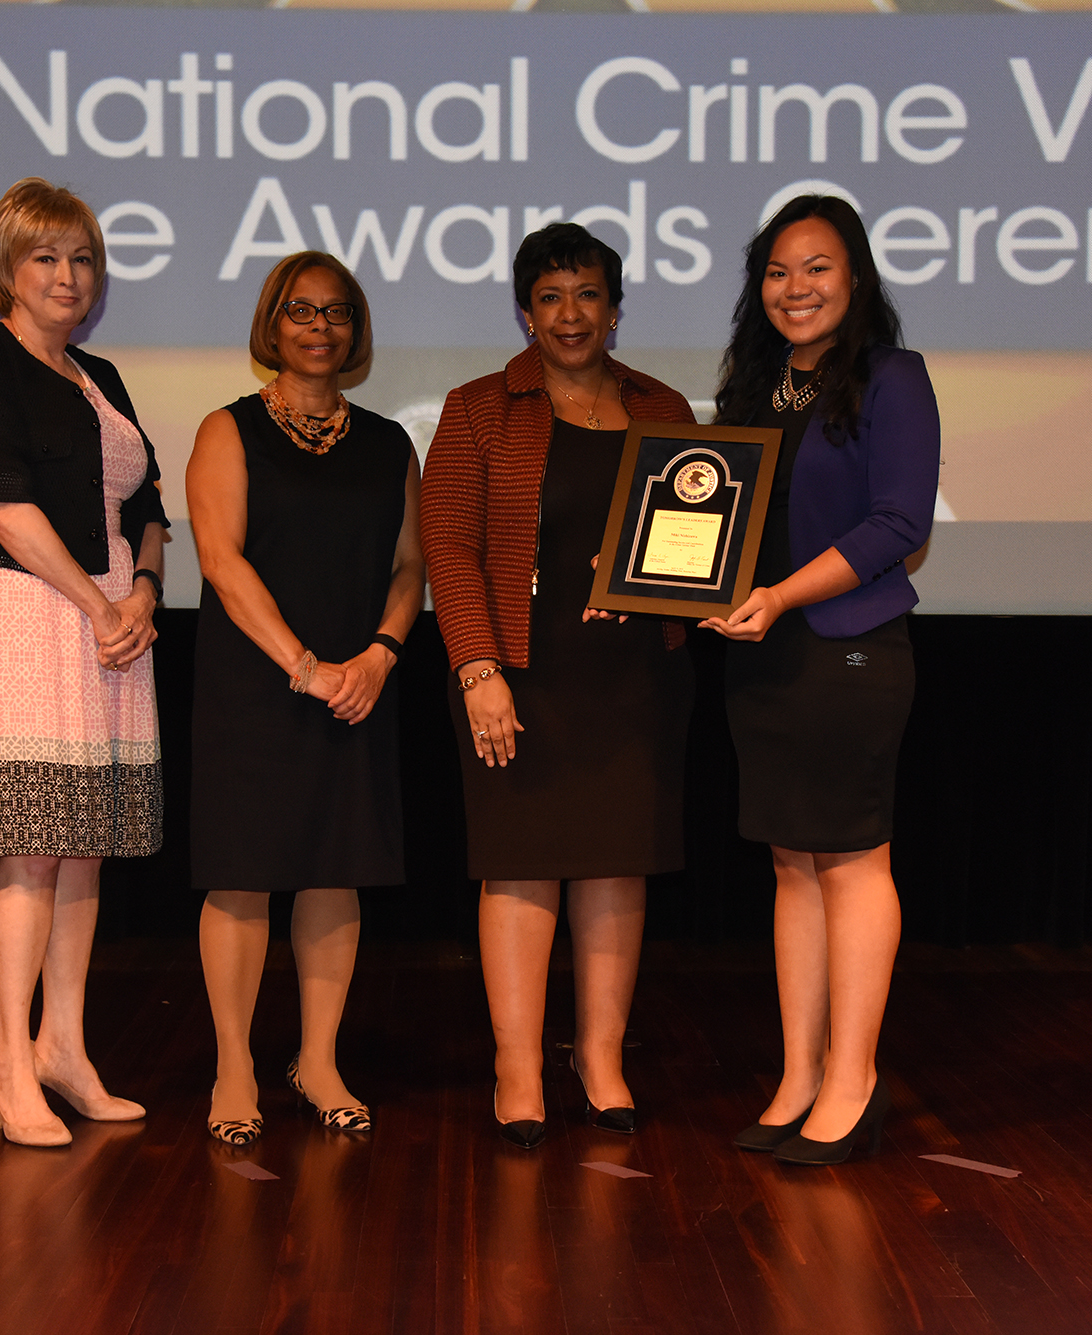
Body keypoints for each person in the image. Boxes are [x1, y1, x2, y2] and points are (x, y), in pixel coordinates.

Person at [422, 223, 696, 1149]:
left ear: (615, 311)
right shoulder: (476, 409)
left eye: (587, 295)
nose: (570, 314)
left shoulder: (665, 409)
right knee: (522, 860)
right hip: (516, 673)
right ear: (524, 312)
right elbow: (450, 550)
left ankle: (601, 1055)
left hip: (634, 675)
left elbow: (700, 542)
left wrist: (651, 580)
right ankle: (518, 1066)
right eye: (550, 296)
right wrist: (477, 667)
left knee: (619, 860)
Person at [0, 178, 168, 1147]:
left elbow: (146, 507)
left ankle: (66, 1048)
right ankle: (8, 1062)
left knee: (82, 841)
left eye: (82, 258)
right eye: (45, 258)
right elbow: (3, 504)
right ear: (6, 270)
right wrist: (102, 601)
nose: (68, 276)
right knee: (30, 837)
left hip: (105, 619)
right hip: (22, 609)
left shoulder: (98, 377)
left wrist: (139, 592)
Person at [701, 195, 940, 1166]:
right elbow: (713, 531)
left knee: (849, 862)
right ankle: (798, 1075)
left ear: (855, 279)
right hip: (764, 658)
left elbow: (896, 527)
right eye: (775, 271)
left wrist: (779, 594)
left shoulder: (892, 379)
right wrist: (649, 592)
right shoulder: (756, 393)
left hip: (847, 647)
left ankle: (852, 1078)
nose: (794, 289)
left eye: (816, 268)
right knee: (788, 865)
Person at [185, 252, 423, 1145]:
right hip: (259, 683)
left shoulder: (390, 443)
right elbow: (221, 560)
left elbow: (411, 566)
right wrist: (305, 665)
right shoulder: (228, 428)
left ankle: (317, 1060)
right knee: (242, 875)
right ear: (271, 326)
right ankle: (236, 1065)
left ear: (355, 330)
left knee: (335, 869)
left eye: (336, 313)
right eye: (300, 312)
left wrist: (379, 656)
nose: (319, 327)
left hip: (357, 686)